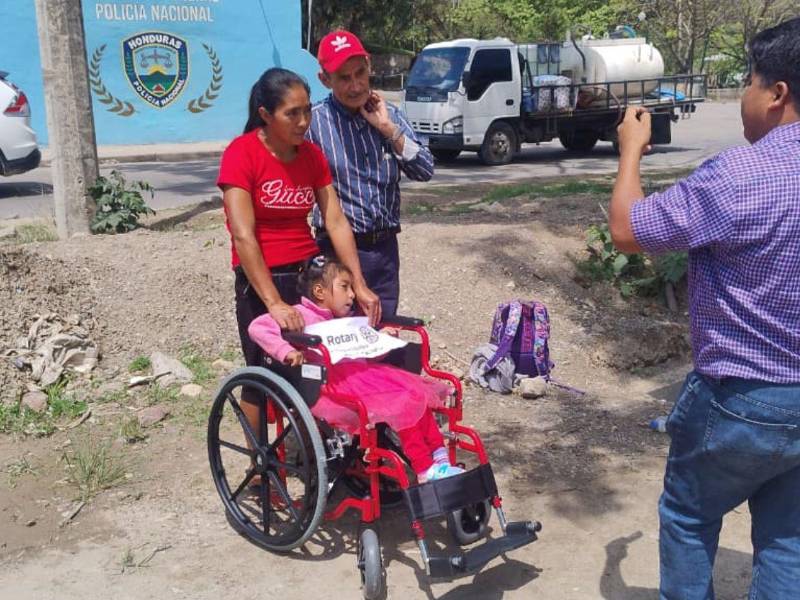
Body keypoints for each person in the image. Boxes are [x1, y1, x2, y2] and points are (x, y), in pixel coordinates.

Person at [608, 18, 800, 599]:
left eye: (749, 81)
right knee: (788, 537)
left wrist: (631, 152)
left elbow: (627, 231)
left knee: (689, 517)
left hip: (740, 397)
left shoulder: (740, 175)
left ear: (776, 93)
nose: (744, 94)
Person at [217, 67, 379, 435]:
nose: (304, 121)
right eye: (292, 113)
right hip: (263, 279)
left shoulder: (311, 156)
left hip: (308, 274)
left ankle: (318, 448)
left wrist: (358, 283)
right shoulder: (241, 154)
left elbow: (335, 220)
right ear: (265, 114)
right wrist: (274, 303)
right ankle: (260, 460)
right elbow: (243, 235)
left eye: (306, 110)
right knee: (263, 373)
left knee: (318, 365)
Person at [248, 255, 463, 483]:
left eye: (351, 287)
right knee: (402, 402)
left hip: (363, 377)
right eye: (345, 287)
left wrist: (381, 340)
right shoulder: (300, 315)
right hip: (329, 387)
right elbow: (257, 327)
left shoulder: (349, 321)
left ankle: (440, 457)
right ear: (320, 292)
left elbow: (362, 354)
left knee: (416, 394)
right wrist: (286, 351)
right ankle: (424, 468)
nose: (352, 294)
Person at [307, 30, 434, 317]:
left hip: (385, 251)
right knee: (341, 337)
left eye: (360, 73)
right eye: (344, 78)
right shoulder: (314, 123)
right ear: (325, 80)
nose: (355, 86)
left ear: (369, 66)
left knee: (384, 330)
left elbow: (425, 170)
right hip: (335, 254)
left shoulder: (389, 115)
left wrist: (388, 130)